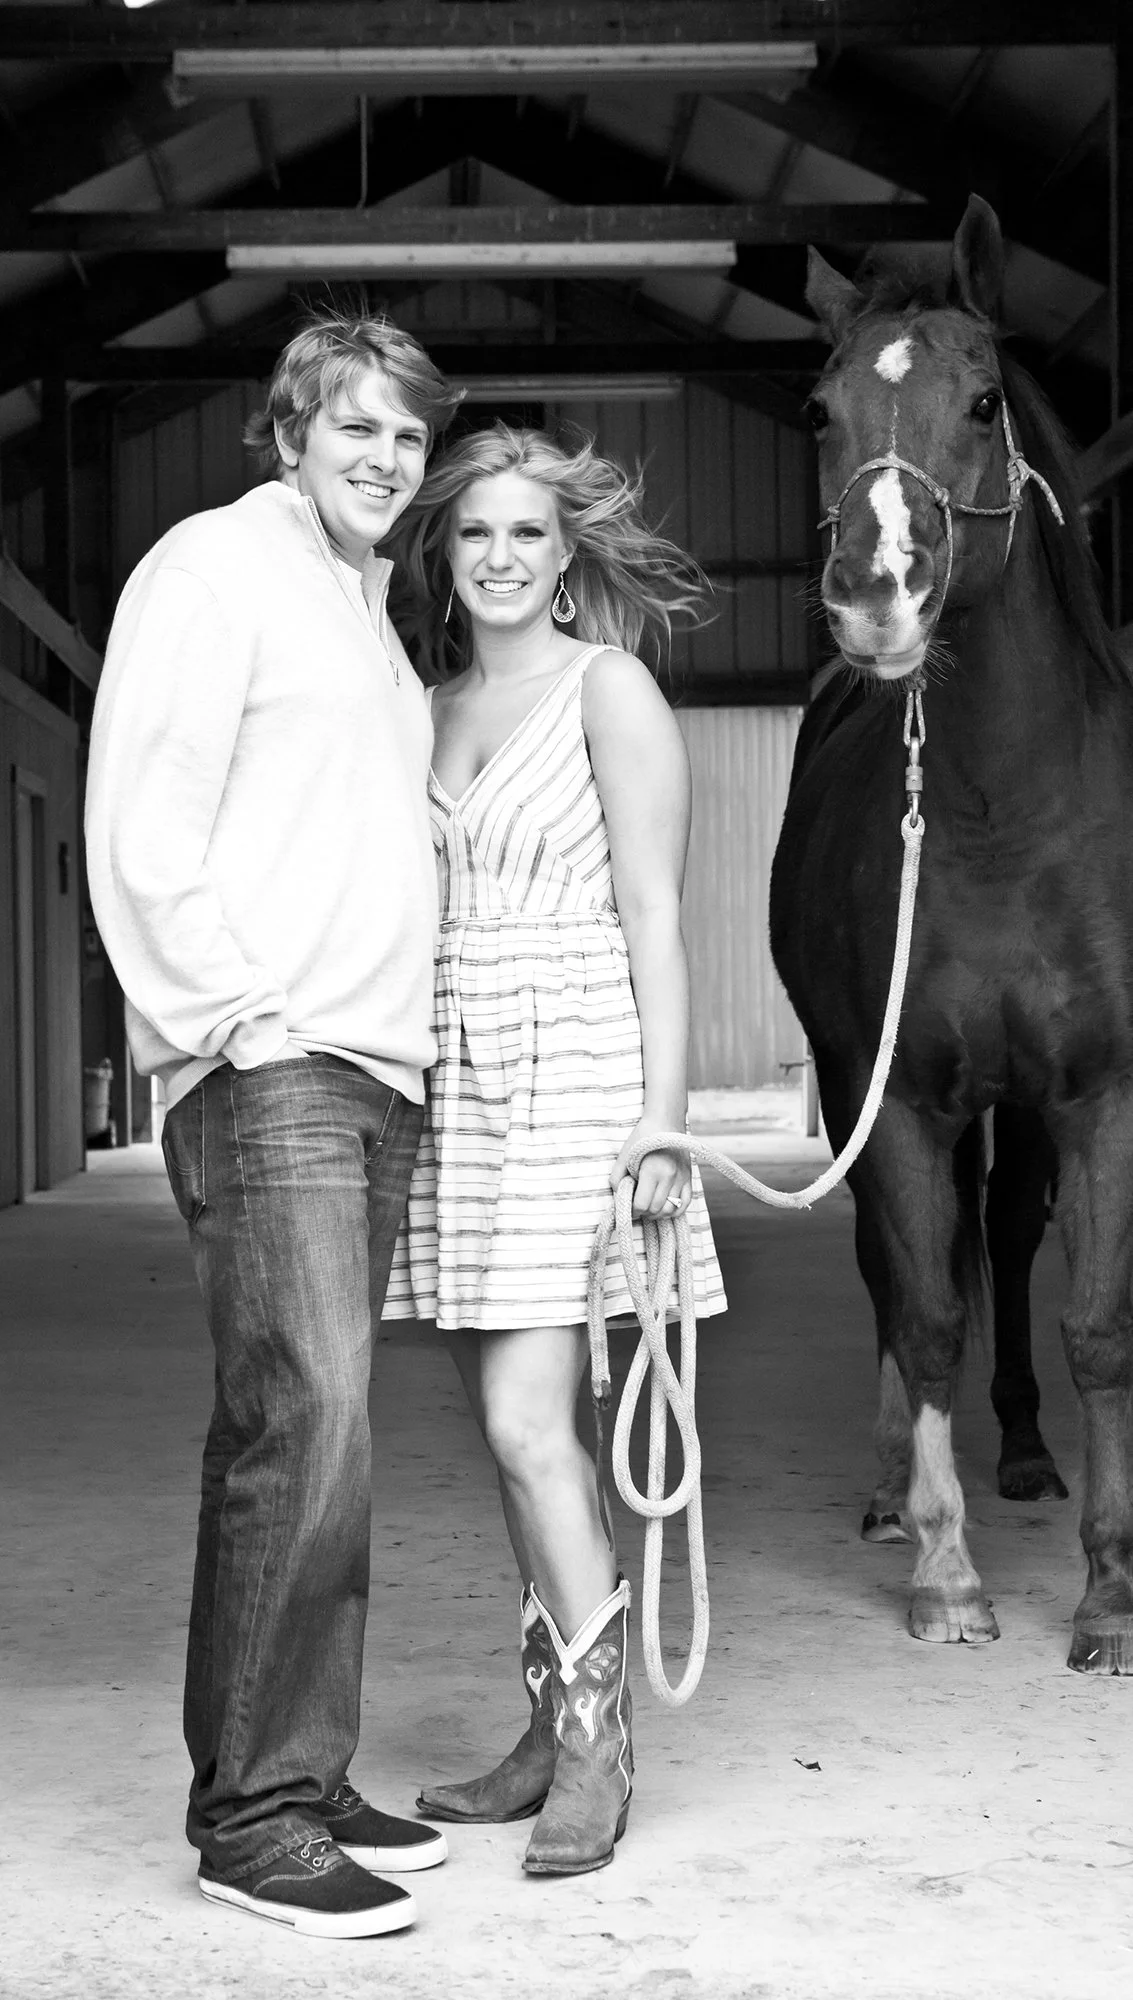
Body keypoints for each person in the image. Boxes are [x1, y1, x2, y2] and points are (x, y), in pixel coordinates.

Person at [85, 312, 463, 1939]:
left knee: (325, 1441)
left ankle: (299, 1772)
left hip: (367, 1076)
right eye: (354, 428)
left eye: (407, 436)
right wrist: (240, 1018)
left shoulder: (368, 618)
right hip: (277, 1067)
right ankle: (252, 1818)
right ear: (289, 434)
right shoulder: (213, 571)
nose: (385, 457)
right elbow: (139, 818)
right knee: (298, 1429)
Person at [383, 423, 727, 1877]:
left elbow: (655, 911)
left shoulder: (612, 689)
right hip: (450, 1072)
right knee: (518, 1437)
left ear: (566, 548)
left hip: (573, 1064)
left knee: (532, 1426)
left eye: (529, 532)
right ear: (441, 554)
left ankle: (598, 1745)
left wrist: (666, 1114)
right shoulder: (424, 702)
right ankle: (545, 1723)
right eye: (476, 534)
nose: (504, 557)